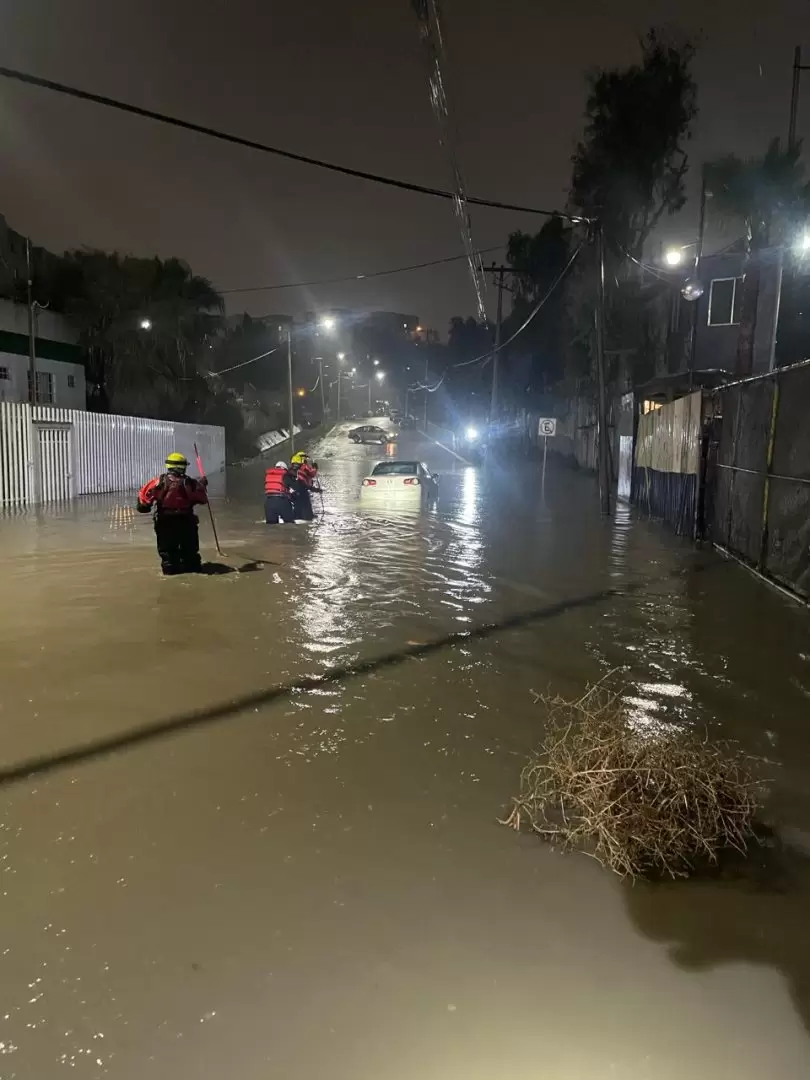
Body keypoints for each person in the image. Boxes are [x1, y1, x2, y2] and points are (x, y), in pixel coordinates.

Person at [137, 452, 208, 575]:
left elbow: (143, 504)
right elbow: (202, 499)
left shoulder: (158, 482)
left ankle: (171, 576)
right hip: (186, 522)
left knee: (168, 554)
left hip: (165, 523)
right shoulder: (191, 483)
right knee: (190, 553)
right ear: (183, 467)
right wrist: (202, 485)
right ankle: (193, 575)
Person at [290, 450, 318, 521]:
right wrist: (315, 468)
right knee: (307, 503)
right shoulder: (304, 466)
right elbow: (312, 473)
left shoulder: (293, 467)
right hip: (303, 488)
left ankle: (296, 517)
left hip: (294, 489)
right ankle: (309, 517)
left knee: (297, 503)